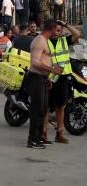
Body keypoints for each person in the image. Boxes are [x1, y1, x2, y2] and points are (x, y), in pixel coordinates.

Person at [26, 19, 64, 149]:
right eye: (56, 30)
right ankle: (32, 140)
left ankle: (39, 137)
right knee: (36, 110)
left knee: (43, 109)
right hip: (35, 77)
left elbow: (44, 60)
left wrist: (48, 77)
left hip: (42, 78)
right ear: (52, 29)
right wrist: (52, 70)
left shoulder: (44, 41)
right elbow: (35, 62)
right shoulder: (39, 41)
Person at [42, 20, 81, 144]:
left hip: (63, 77)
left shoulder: (64, 40)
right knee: (47, 107)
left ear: (61, 32)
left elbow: (77, 34)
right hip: (50, 78)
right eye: (54, 30)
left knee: (60, 106)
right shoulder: (45, 42)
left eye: (58, 31)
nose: (55, 33)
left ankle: (59, 133)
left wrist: (65, 24)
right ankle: (43, 133)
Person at [0, 26, 13, 93]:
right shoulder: (8, 41)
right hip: (6, 60)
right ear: (7, 34)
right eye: (10, 33)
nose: (11, 34)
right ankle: (6, 88)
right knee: (7, 74)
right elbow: (10, 51)